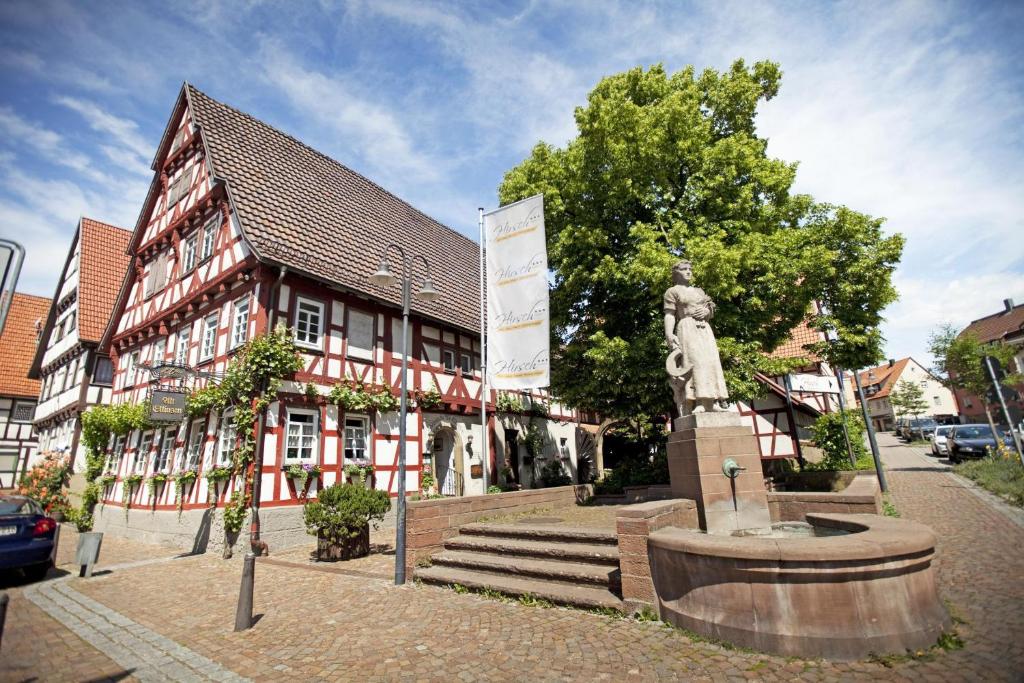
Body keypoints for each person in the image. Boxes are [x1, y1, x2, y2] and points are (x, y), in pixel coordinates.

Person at [663, 259, 729, 416]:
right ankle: (698, 402)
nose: (688, 271)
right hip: (687, 328)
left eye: (690, 269)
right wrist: (669, 334)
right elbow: (670, 314)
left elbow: (709, 309)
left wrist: (707, 312)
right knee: (695, 363)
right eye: (684, 269)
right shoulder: (672, 291)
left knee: (711, 363)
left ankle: (712, 402)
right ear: (676, 273)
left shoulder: (699, 291)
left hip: (705, 329)